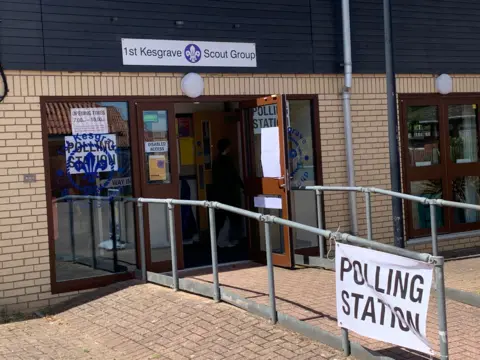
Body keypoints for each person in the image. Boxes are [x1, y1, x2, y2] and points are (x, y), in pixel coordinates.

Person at [212, 138, 244, 247]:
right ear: (227, 147)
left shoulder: (216, 161)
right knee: (231, 217)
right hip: (229, 193)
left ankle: (221, 240)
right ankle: (226, 240)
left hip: (220, 193)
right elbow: (234, 176)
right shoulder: (228, 161)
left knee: (223, 218)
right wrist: (243, 186)